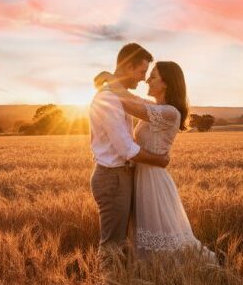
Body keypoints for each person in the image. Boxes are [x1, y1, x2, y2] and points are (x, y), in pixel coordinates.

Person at [96, 61, 219, 265]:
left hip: (153, 181)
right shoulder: (156, 108)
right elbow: (133, 99)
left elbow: (127, 103)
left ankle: (188, 276)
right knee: (147, 236)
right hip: (141, 177)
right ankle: (155, 279)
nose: (146, 80)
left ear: (166, 83)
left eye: (152, 76)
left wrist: (111, 80)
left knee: (160, 235)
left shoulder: (170, 112)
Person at [89, 43, 169, 270]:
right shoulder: (107, 99)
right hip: (112, 177)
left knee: (124, 241)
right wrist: (161, 161)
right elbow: (126, 149)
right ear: (126, 67)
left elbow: (154, 108)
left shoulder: (120, 97)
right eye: (141, 72)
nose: (144, 79)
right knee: (112, 245)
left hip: (122, 175)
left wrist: (109, 78)